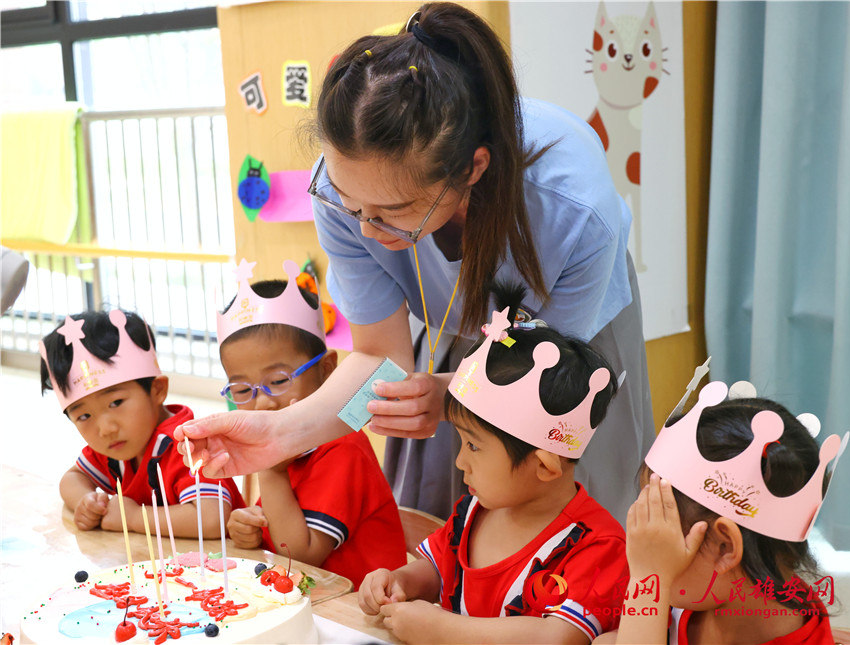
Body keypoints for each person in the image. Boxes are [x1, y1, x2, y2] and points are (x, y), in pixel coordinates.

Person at [175, 1, 653, 524]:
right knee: (450, 524)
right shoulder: (346, 185)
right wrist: (278, 434)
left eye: (394, 212)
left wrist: (451, 393)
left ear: (473, 169)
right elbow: (381, 358)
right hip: (453, 331)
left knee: (569, 524)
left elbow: (547, 372)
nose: (366, 230)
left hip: (566, 356)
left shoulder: (574, 210)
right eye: (352, 207)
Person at [358, 286, 630, 644]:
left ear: (545, 466)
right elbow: (438, 569)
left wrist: (441, 630)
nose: (459, 461)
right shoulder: (475, 510)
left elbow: (558, 638)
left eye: (473, 445)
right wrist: (399, 582)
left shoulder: (598, 546)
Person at [595, 387, 845, 644]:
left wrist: (648, 579)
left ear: (724, 547)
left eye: (658, 523)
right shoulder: (707, 590)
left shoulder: (679, 582)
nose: (639, 545)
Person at [221, 260, 406, 588]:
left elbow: (299, 555)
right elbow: (277, 530)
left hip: (358, 620)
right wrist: (248, 527)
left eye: (278, 380)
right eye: (241, 390)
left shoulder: (342, 448)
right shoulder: (289, 448)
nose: (262, 402)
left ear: (327, 370)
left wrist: (270, 470)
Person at [40, 309, 244, 537]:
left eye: (116, 402)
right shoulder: (115, 448)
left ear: (157, 390)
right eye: (84, 416)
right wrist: (87, 502)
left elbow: (212, 519)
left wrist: (135, 517)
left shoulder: (186, 444)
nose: (106, 429)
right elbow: (72, 479)